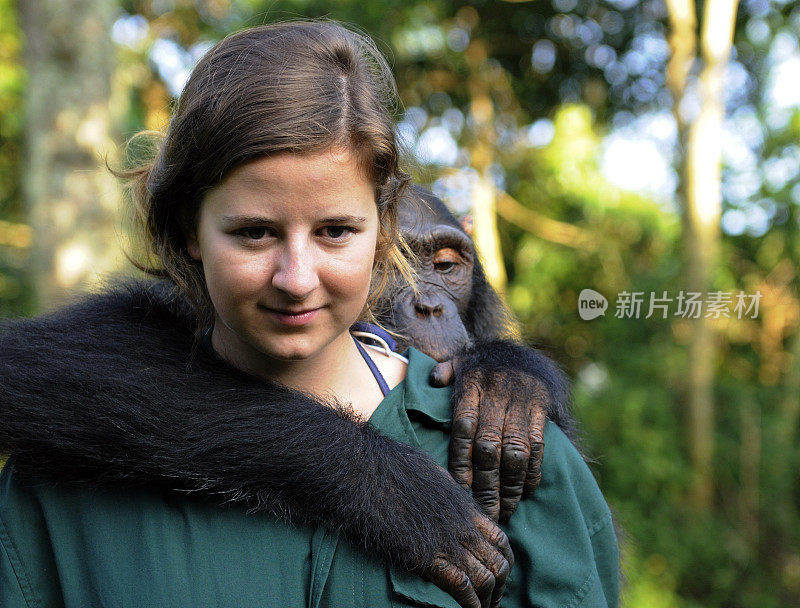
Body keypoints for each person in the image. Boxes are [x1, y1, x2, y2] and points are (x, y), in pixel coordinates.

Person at [0, 21, 618, 608]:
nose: (296, 280)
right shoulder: (70, 471)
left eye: (336, 231)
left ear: (383, 233)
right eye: (252, 233)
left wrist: (515, 365)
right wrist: (353, 468)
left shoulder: (514, 452)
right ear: (190, 230)